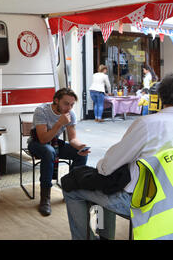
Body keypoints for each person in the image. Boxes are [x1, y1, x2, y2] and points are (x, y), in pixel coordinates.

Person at [63, 73, 173, 240]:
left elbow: (107, 167)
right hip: (167, 208)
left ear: (161, 96)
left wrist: (102, 166)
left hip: (143, 203)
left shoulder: (148, 125)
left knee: (73, 185)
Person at [28, 88, 90, 216]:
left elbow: (72, 139)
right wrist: (59, 123)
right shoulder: (42, 110)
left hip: (55, 143)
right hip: (37, 143)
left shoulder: (70, 114)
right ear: (56, 100)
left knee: (80, 155)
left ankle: (71, 191)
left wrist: (80, 146)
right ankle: (45, 199)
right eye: (66, 103)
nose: (69, 108)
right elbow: (43, 139)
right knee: (49, 152)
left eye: (72, 104)